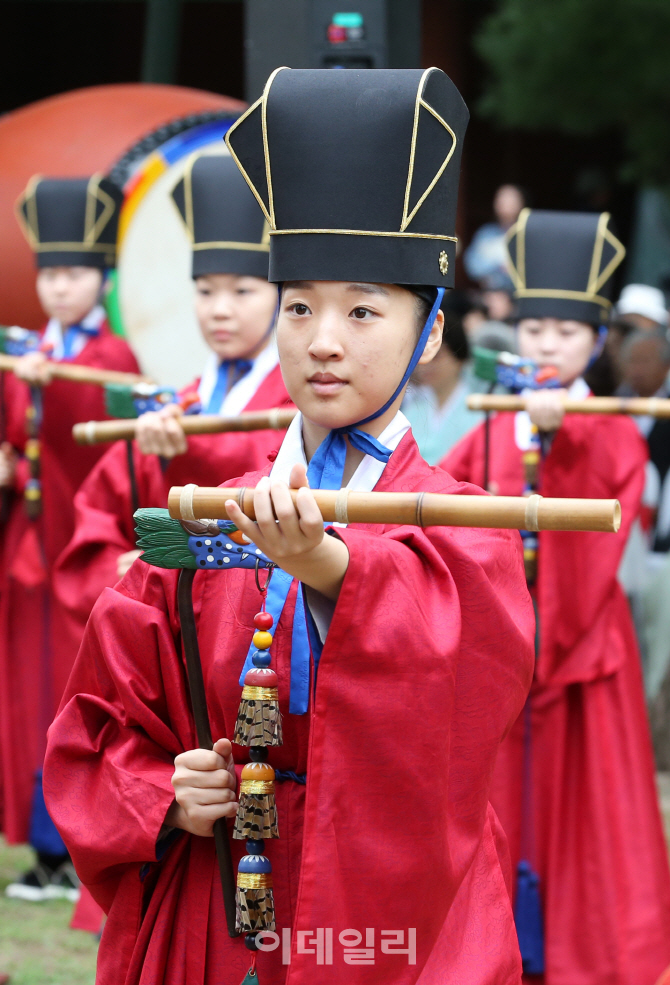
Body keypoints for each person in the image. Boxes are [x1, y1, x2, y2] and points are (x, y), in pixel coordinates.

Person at [44, 67, 535, 985]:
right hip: (221, 902)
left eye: (363, 309)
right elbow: (98, 720)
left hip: (398, 929)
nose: (323, 340)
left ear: (428, 333)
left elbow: (466, 710)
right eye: (301, 305)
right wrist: (165, 792)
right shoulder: (215, 519)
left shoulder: (467, 530)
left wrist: (335, 570)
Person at [443, 209, 670, 985]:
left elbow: (594, 545)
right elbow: (455, 518)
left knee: (589, 819)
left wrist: (562, 441)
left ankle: (584, 952)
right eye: (535, 325)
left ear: (598, 340)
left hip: (580, 661)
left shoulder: (613, 431)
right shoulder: (489, 424)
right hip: (502, 657)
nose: (546, 343)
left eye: (566, 332)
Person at [54, 152, 292, 660]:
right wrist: (121, 567)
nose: (219, 309)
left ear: (280, 295)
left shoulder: (294, 402)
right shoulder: (182, 400)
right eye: (205, 291)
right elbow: (97, 510)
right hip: (164, 632)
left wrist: (185, 453)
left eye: (243, 291)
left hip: (251, 634)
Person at [0, 176, 140, 901]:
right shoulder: (21, 352)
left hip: (79, 549)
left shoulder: (111, 356)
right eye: (49, 273)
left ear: (102, 277)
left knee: (72, 693)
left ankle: (68, 844)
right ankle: (38, 848)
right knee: (24, 693)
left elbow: (99, 445)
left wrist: (48, 383)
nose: (59, 287)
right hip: (24, 549)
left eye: (74, 273)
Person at [403, 310, 484, 462]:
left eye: (437, 356)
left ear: (459, 357)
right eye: (420, 355)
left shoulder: (479, 410)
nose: (426, 364)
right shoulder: (412, 407)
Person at [464, 183, 525, 294]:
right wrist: (499, 266)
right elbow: (472, 266)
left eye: (510, 200)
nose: (505, 204)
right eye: (501, 199)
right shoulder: (486, 234)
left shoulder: (524, 235)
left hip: (516, 296)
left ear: (520, 204)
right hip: (487, 293)